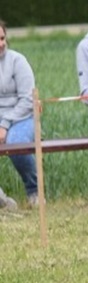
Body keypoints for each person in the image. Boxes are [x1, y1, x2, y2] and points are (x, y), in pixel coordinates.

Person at [0, 19, 38, 206]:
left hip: (21, 117)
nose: (1, 44)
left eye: (2, 38)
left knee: (16, 143)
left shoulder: (17, 61)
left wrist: (4, 124)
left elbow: (28, 100)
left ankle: (34, 192)